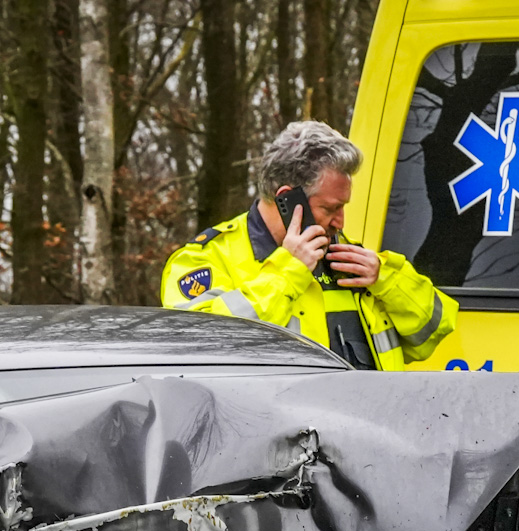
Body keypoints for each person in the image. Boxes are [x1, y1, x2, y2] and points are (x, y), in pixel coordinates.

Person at [161, 121, 456, 369]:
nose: (340, 222)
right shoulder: (204, 259)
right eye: (330, 208)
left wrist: (387, 279)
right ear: (288, 198)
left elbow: (433, 332)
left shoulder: (350, 259)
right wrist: (290, 270)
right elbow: (197, 349)